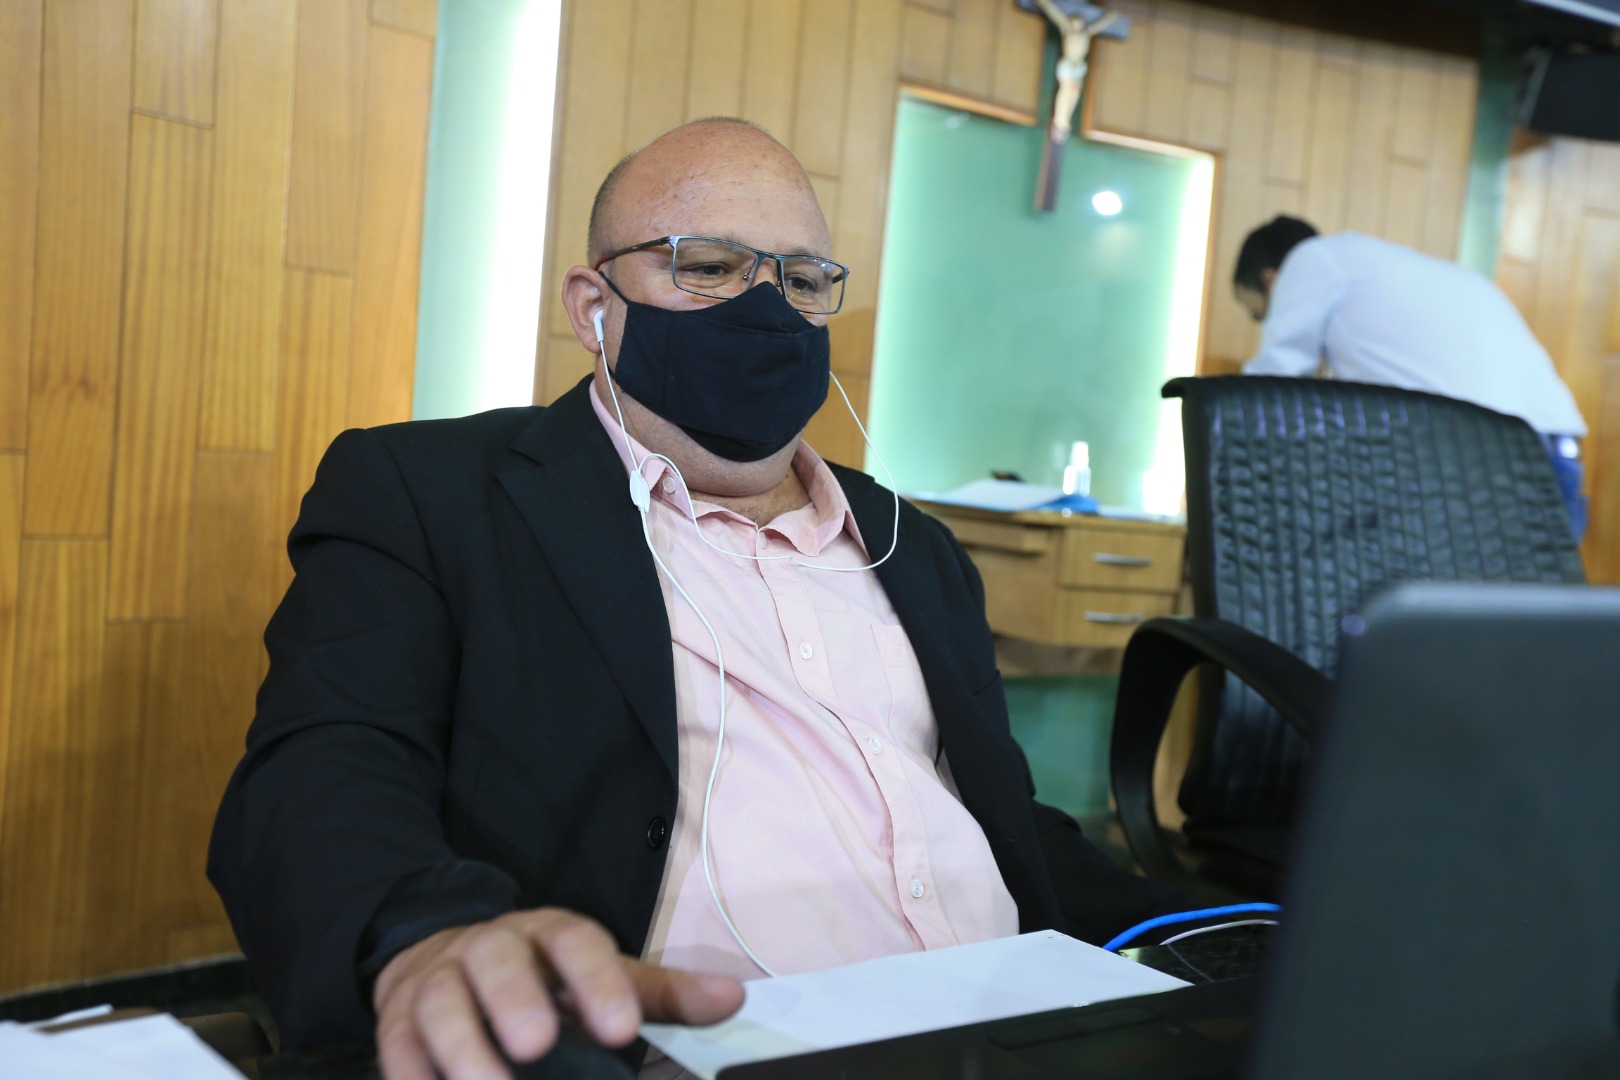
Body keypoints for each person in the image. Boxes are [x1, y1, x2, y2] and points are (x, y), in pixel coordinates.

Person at [208, 118, 1188, 1080]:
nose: (766, 310)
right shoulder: (430, 496)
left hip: (1020, 1033)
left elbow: (994, 813)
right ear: (593, 306)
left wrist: (1216, 929)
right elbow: (325, 767)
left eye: (802, 282)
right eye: (709, 266)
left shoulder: (913, 545)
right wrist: (419, 935)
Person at [1233, 215, 1590, 540]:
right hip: (1557, 452)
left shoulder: (1309, 259)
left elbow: (1269, 387)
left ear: (1271, 279)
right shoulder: (1408, 272)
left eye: (1259, 314)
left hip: (1478, 458)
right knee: (1530, 592)